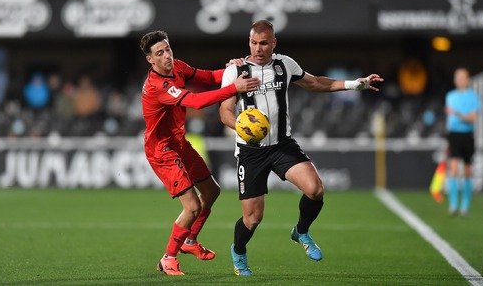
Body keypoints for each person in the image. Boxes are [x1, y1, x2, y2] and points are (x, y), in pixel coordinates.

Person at [219, 20, 383, 276]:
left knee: (315, 189)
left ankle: (301, 232)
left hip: (282, 144)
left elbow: (316, 83)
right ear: (248, 42)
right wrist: (240, 125)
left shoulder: (285, 64)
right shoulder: (235, 72)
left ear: (274, 43)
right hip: (251, 151)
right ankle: (239, 252)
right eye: (253, 43)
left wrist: (355, 84)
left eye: (264, 43)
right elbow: (224, 111)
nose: (258, 48)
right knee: (253, 219)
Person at [140, 30, 259, 276]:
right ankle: (168, 258)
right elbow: (195, 102)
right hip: (161, 150)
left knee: (212, 191)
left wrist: (232, 70)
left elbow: (209, 77)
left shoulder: (178, 67)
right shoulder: (157, 86)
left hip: (179, 143)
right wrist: (234, 87)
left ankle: (189, 241)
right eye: (159, 53)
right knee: (192, 206)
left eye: (168, 49)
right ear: (150, 60)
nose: (166, 56)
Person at [445, 67, 481, 216]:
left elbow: (472, 118)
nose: (459, 80)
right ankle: (453, 205)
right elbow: (450, 119)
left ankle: (465, 205)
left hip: (467, 135)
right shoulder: (450, 96)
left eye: (462, 77)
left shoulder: (473, 97)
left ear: (467, 79)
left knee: (467, 170)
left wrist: (458, 114)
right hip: (454, 134)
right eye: (457, 77)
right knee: (453, 169)